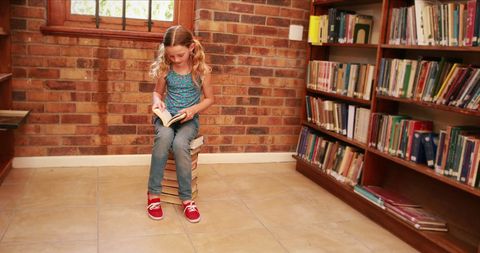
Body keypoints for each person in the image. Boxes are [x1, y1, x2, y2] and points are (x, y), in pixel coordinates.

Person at [147, 25, 214, 223]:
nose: (175, 60)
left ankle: (187, 198)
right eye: (171, 56)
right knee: (164, 138)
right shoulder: (166, 68)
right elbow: (157, 92)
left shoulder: (201, 70)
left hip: (188, 120)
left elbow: (210, 99)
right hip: (166, 117)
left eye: (180, 55)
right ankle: (153, 195)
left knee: (179, 144)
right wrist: (156, 101)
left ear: (191, 47)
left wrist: (193, 110)